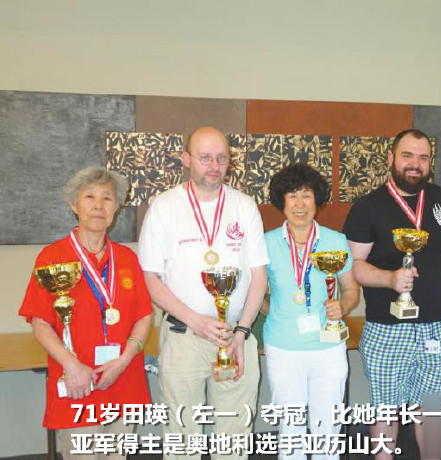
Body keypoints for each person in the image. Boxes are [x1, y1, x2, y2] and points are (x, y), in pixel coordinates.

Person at [138, 126, 268, 459]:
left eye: (222, 158)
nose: (214, 166)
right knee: (182, 437)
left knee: (234, 437)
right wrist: (196, 321)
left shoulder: (244, 206)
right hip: (184, 336)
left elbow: (258, 275)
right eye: (205, 157)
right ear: (186, 159)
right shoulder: (164, 207)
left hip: (235, 337)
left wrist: (241, 332)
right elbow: (150, 278)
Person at [18, 166, 152, 460]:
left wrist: (124, 360)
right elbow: (40, 322)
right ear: (73, 204)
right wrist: (73, 366)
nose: (98, 205)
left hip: (121, 377)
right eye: (89, 196)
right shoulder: (53, 257)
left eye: (107, 198)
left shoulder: (127, 258)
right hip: (78, 382)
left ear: (116, 208)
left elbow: (143, 315)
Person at [343, 128, 441, 459]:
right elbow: (354, 266)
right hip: (388, 328)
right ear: (392, 158)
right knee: (386, 412)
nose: (415, 164)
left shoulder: (440, 198)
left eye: (423, 158)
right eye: (407, 155)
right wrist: (390, 279)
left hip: (438, 326)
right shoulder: (368, 206)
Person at [262, 163, 359, 460]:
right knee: (290, 430)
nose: (300, 204)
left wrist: (342, 306)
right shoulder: (266, 243)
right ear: (282, 202)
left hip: (328, 347)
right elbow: (255, 295)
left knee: (327, 430)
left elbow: (351, 289)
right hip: (283, 348)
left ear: (317, 199)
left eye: (306, 195)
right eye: (292, 196)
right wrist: (274, 312)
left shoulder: (335, 240)